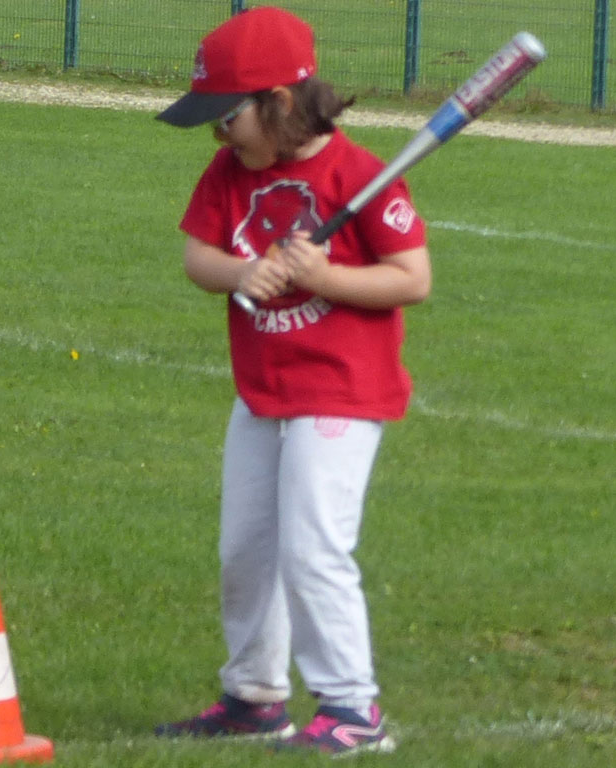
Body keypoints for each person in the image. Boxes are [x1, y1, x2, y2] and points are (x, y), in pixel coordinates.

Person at [153, 6, 431, 757]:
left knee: (313, 548)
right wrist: (244, 270)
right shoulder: (229, 173)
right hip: (262, 393)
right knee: (245, 551)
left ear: (278, 102)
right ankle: (254, 697)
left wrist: (325, 277)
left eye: (228, 118)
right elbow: (198, 257)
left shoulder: (361, 177)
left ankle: (352, 708)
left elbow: (412, 279)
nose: (220, 137)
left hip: (341, 391)